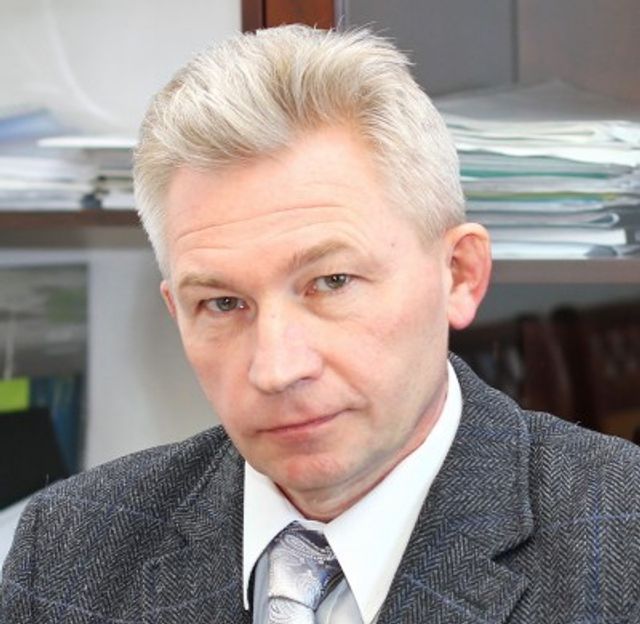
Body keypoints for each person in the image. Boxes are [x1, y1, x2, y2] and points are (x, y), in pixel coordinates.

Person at [3, 24, 640, 624]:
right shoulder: (66, 550)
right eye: (222, 304)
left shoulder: (622, 541)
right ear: (177, 313)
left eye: (331, 282)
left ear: (459, 274)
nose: (277, 369)